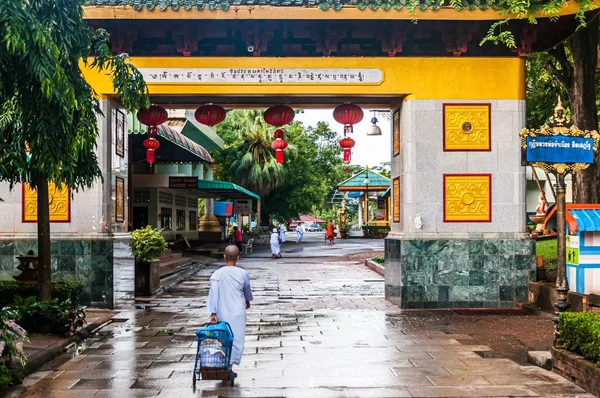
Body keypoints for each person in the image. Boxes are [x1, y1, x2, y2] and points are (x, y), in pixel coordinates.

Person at [207, 245, 253, 374]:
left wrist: (213, 313)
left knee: (224, 338)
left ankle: (224, 363)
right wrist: (247, 300)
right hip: (238, 311)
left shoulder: (217, 274)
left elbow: (212, 294)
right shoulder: (242, 273)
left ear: (224, 257)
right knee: (237, 338)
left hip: (222, 310)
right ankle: (230, 366)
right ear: (238, 258)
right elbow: (247, 289)